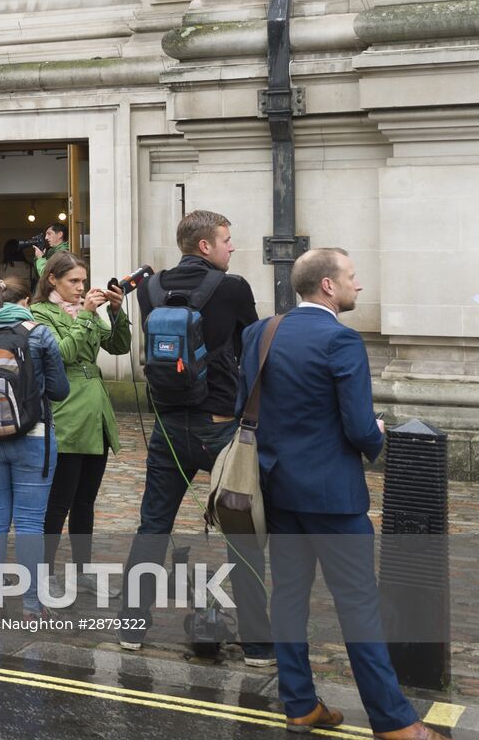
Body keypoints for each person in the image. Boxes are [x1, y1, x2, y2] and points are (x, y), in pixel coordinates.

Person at [240, 250, 436, 739]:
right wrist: (377, 433)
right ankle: (394, 722)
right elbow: (358, 427)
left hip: (277, 490)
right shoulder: (341, 340)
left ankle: (301, 704)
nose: (358, 286)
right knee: (358, 607)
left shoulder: (259, 333)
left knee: (287, 598)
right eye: (352, 277)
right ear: (328, 286)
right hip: (333, 498)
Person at [118, 210, 271, 665]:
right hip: (222, 426)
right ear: (205, 245)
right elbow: (253, 345)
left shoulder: (148, 288)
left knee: (153, 526)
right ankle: (259, 645)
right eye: (227, 239)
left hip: (168, 425)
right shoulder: (233, 287)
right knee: (241, 530)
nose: (232, 247)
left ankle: (130, 626)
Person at [0, 276, 69, 617]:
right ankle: (32, 603)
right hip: (33, 435)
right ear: (24, 303)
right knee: (31, 523)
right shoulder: (40, 334)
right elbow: (60, 390)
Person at [29, 252, 130, 593]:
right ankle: (46, 573)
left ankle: (83, 572)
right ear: (52, 279)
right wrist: (86, 315)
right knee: (59, 501)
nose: (80, 287)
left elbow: (118, 346)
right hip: (68, 412)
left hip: (95, 412)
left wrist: (115, 312)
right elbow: (60, 355)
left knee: (86, 500)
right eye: (73, 281)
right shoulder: (40, 313)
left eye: (83, 281)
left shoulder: (84, 312)